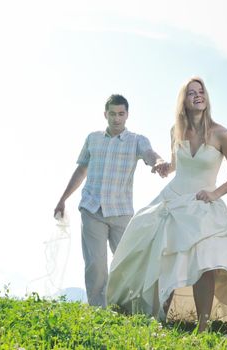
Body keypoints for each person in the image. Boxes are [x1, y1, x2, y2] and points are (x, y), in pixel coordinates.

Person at [106, 77, 227, 333]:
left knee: (206, 261)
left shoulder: (222, 134)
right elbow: (177, 164)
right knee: (160, 253)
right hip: (174, 199)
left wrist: (215, 194)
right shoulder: (175, 131)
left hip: (202, 202)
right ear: (184, 100)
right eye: (191, 93)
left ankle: (203, 325)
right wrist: (165, 167)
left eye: (201, 92)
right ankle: (161, 316)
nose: (198, 96)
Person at [54, 94, 165, 307]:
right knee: (95, 265)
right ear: (105, 114)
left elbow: (149, 154)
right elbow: (81, 169)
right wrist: (63, 199)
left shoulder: (136, 140)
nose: (116, 118)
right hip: (92, 208)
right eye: (112, 114)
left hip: (121, 212)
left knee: (127, 263)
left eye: (121, 114)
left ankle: (128, 308)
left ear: (127, 115)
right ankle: (98, 310)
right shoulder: (92, 139)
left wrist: (158, 162)